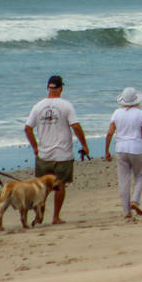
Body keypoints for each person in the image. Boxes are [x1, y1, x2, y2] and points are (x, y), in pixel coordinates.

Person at [24, 75, 90, 225]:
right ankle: (55, 217)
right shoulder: (66, 105)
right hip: (62, 153)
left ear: (48, 88)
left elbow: (27, 128)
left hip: (44, 154)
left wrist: (35, 147)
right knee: (59, 185)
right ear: (61, 88)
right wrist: (84, 145)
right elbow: (76, 126)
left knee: (43, 187)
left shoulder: (38, 106)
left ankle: (39, 214)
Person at [104, 87, 142, 219]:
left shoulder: (116, 113)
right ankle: (135, 200)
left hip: (120, 148)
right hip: (137, 148)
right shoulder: (141, 113)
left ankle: (126, 211)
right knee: (140, 176)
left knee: (123, 180)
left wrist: (106, 150)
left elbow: (109, 133)